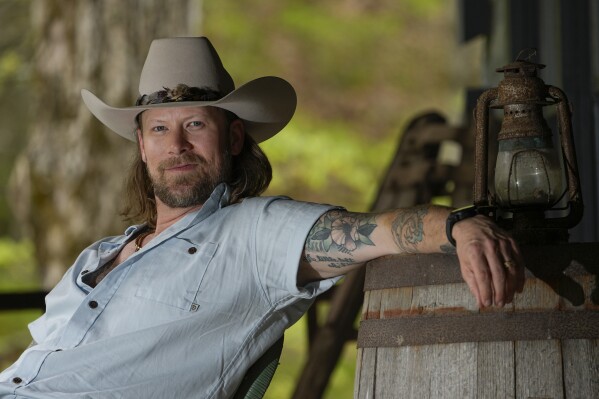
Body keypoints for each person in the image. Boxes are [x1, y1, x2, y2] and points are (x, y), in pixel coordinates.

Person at [0, 37, 524, 399]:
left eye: (196, 125)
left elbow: (376, 231)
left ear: (232, 138)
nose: (176, 145)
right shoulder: (97, 256)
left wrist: (458, 226)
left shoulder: (252, 233)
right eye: (159, 129)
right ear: (141, 145)